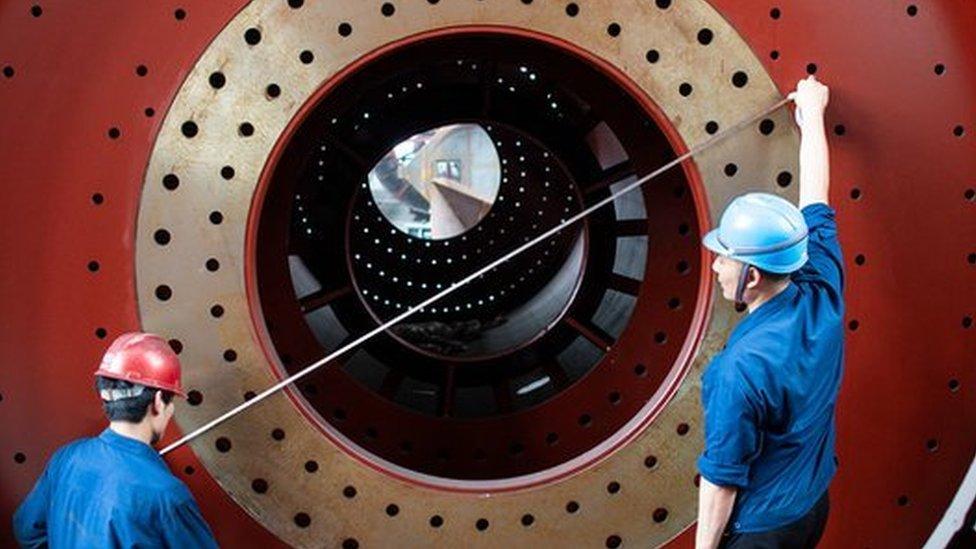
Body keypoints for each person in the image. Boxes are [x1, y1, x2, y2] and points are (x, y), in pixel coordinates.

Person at [695, 76, 843, 549]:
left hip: (763, 533)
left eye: (725, 257)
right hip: (812, 505)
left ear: (753, 277)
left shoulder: (739, 370)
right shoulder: (821, 282)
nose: (716, 265)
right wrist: (813, 114)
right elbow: (816, 196)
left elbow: (721, 482)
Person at [13, 332, 218, 548]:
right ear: (158, 401)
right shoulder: (166, 495)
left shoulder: (67, 458)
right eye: (171, 401)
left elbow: (27, 530)